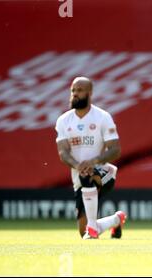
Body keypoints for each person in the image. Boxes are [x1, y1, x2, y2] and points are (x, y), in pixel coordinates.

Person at [55, 77, 126, 239]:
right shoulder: (63, 121)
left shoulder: (102, 117)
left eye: (79, 90)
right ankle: (115, 220)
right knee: (82, 232)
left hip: (103, 173)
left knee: (87, 173)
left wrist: (93, 162)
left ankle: (93, 228)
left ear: (89, 93)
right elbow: (63, 153)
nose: (75, 94)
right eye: (73, 90)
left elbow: (115, 149)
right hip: (78, 177)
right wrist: (77, 164)